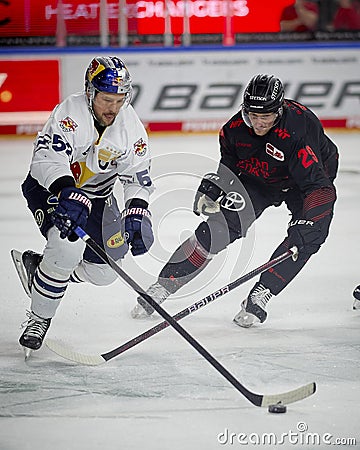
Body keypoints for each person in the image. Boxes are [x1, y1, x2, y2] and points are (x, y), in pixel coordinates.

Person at [130, 74, 339, 328]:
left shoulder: (300, 127)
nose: (258, 123)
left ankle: (261, 294)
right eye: (253, 115)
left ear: (280, 110)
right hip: (259, 180)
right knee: (217, 228)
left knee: (306, 238)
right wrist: (215, 188)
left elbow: (319, 186)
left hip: (305, 182)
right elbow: (229, 165)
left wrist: (311, 221)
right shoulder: (233, 130)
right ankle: (163, 286)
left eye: (266, 117)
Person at [12, 56, 154, 357]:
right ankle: (39, 318)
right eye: (106, 99)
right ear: (90, 92)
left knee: (105, 272)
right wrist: (66, 190)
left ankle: (43, 273)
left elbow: (137, 176)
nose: (112, 108)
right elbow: (47, 159)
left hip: (98, 198)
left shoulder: (130, 125)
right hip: (51, 188)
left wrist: (138, 210)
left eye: (119, 100)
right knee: (66, 247)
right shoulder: (69, 114)